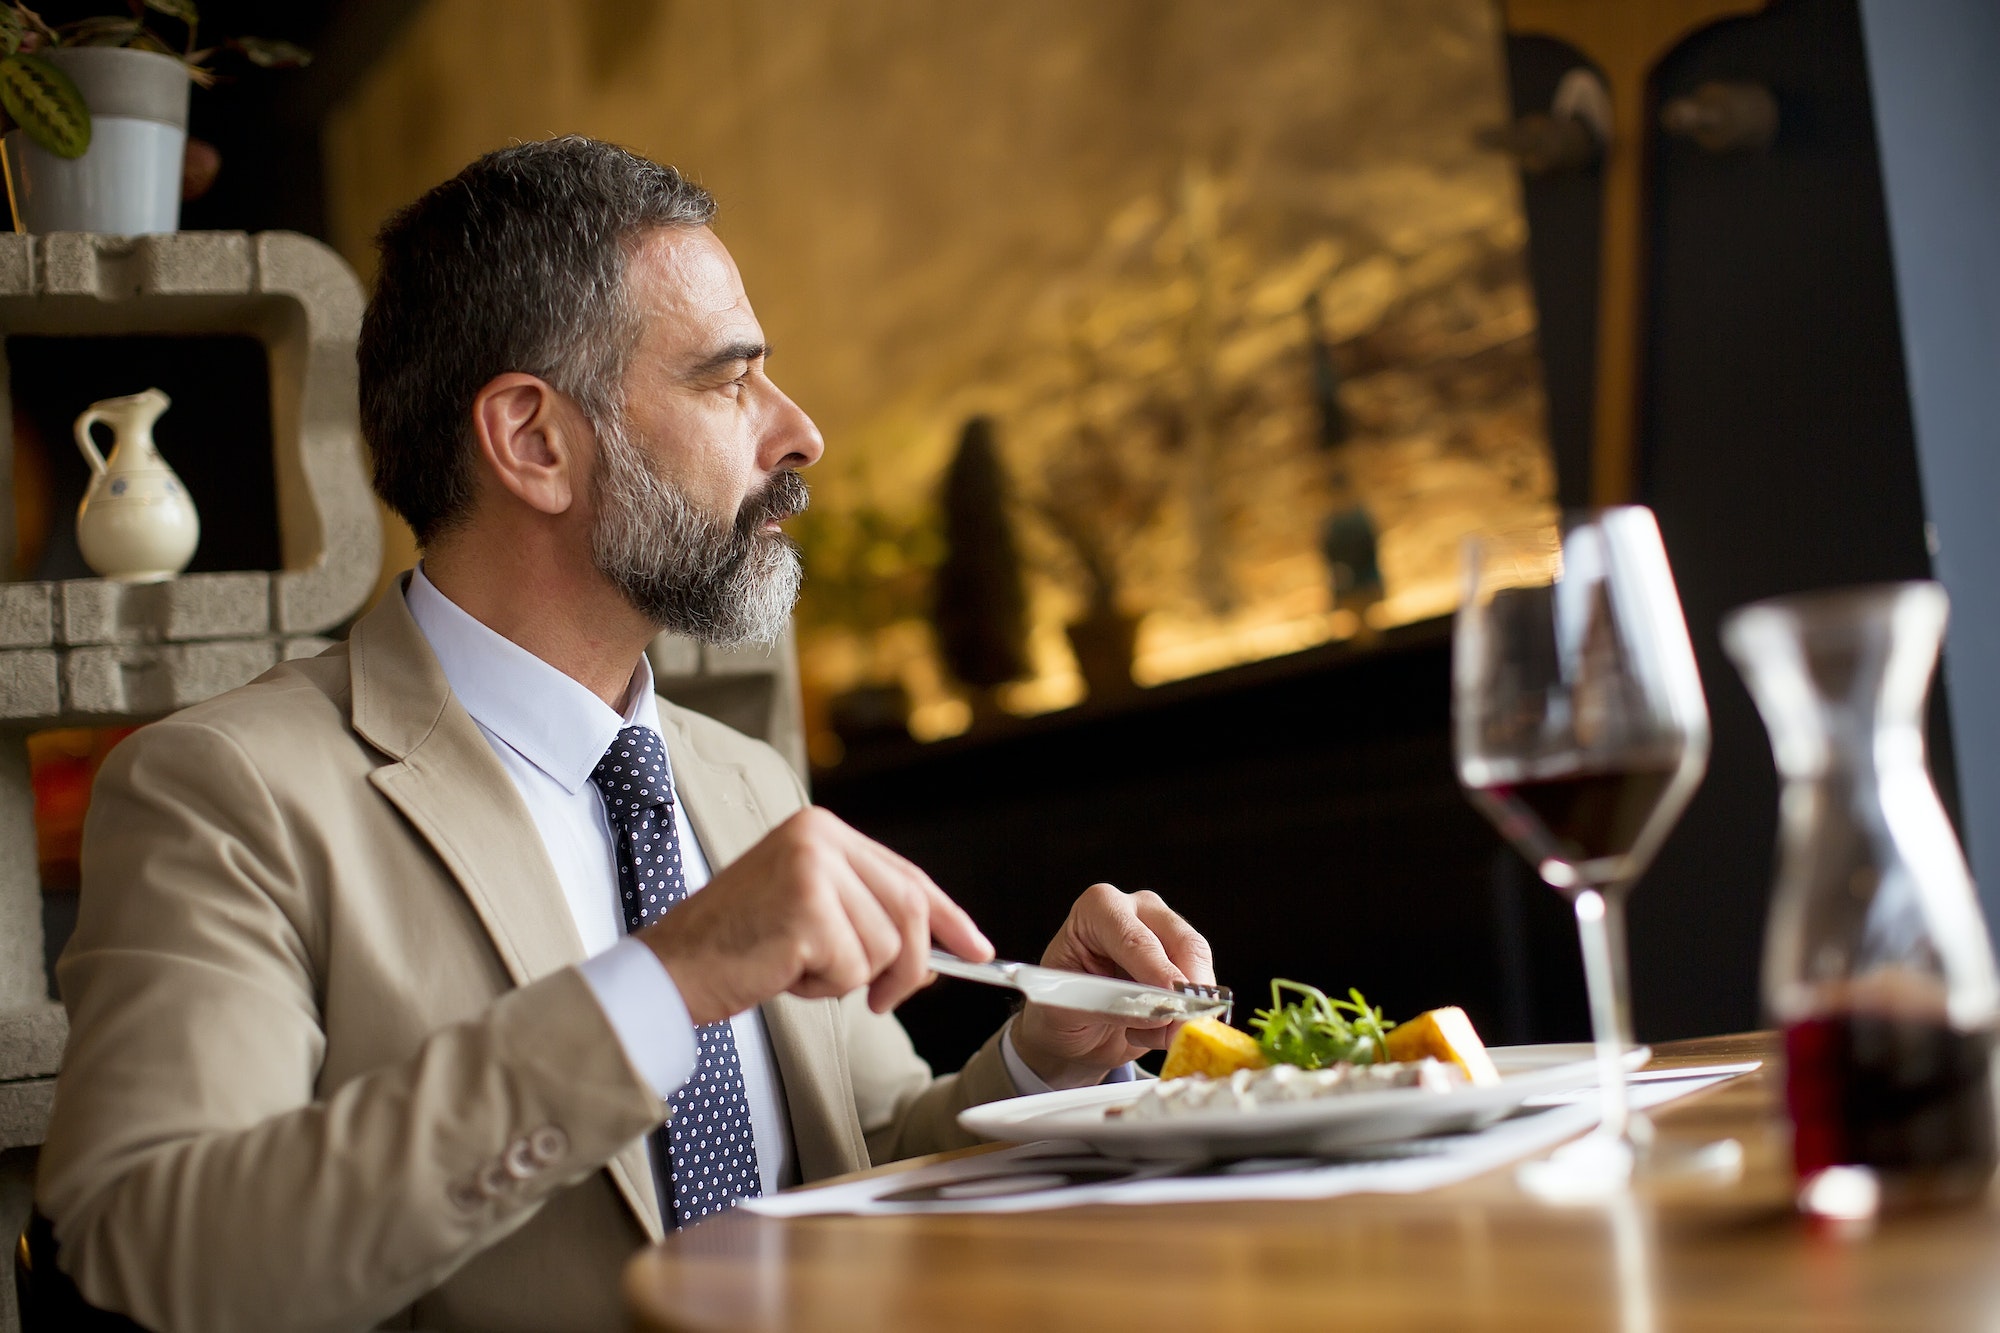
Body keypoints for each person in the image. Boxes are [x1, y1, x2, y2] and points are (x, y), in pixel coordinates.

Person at [34, 136, 1214, 1333]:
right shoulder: (227, 791)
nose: (798, 432)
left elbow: (861, 1158)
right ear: (534, 441)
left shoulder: (743, 780)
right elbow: (159, 1249)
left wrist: (1037, 1061)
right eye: (725, 380)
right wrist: (665, 979)